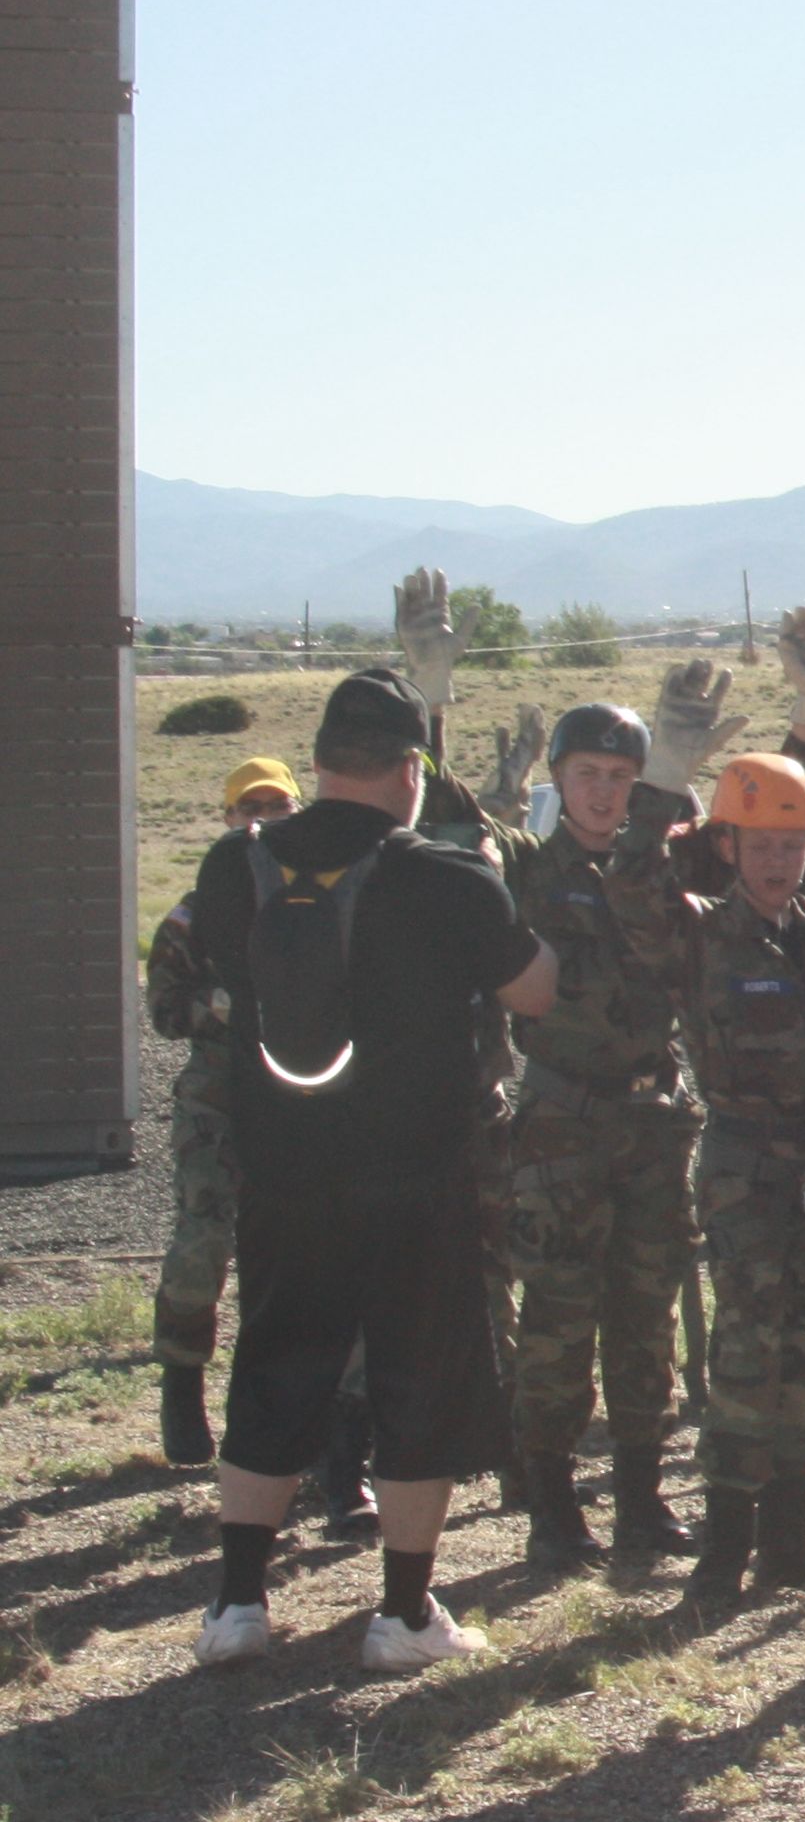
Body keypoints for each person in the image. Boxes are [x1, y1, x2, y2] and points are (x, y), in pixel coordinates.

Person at [189, 669, 561, 1673]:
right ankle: (403, 1613)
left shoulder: (235, 864)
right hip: (415, 1176)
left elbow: (222, 972)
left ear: (317, 762)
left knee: (274, 1366)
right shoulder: (444, 875)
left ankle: (237, 1603)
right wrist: (499, 885)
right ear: (411, 771)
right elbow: (534, 991)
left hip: (281, 1169)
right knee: (418, 1381)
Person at [604, 750, 805, 1615]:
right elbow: (629, 888)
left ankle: (787, 1541)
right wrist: (661, 782)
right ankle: (723, 1553)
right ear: (726, 846)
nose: (778, 861)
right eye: (760, 845)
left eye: (792, 845)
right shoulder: (699, 933)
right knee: (745, 1356)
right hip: (748, 1171)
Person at [491, 664, 742, 1569]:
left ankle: (642, 1496)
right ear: (557, 780)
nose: (604, 793)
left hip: (651, 1118)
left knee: (646, 1313)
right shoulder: (527, 867)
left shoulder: (665, 868)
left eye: (623, 777)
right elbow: (445, 831)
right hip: (564, 1116)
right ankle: (553, 1504)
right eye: (588, 775)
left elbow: (768, 855)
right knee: (558, 1317)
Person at [146, 755, 303, 1471]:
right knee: (204, 1237)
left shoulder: (314, 904)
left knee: (300, 1250)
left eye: (276, 807)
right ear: (228, 818)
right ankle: (182, 1382)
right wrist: (217, 1005)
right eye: (249, 808)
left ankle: (292, 1405)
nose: (261, 821)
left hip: (296, 1089)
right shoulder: (196, 913)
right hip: (217, 1091)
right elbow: (163, 1011)